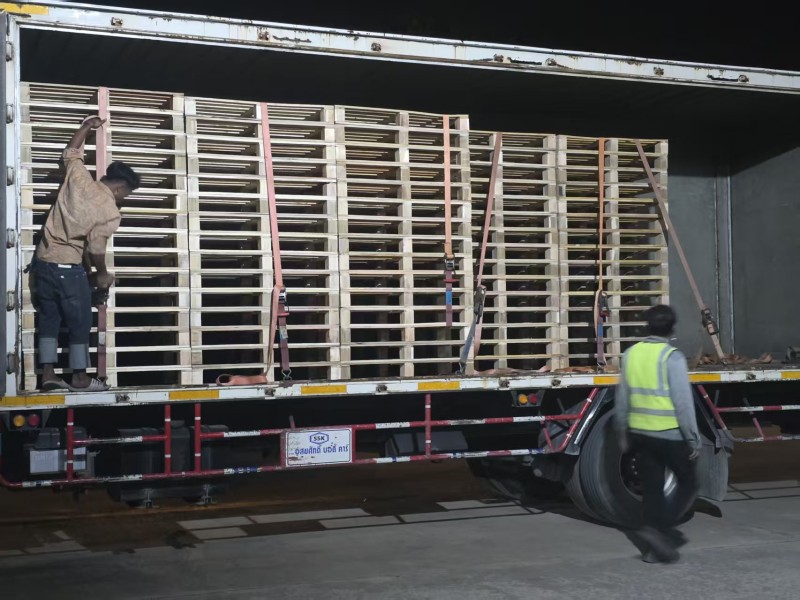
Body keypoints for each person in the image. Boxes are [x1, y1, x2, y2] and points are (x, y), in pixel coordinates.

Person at [29, 115, 140, 392]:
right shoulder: (109, 210)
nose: (123, 199)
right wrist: (102, 274)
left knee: (49, 318)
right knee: (79, 322)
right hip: (68, 267)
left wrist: (86, 127)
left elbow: (71, 153)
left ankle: (48, 375)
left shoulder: (79, 179)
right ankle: (79, 378)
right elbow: (95, 247)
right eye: (126, 194)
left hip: (43, 262)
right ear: (119, 187)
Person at [614, 304, 700, 564]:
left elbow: (622, 398)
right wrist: (693, 438)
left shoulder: (631, 354)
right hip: (669, 434)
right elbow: (683, 403)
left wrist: (622, 434)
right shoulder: (672, 357)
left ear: (646, 327)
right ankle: (659, 528)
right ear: (672, 329)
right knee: (689, 484)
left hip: (640, 434)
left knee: (652, 489)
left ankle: (652, 550)